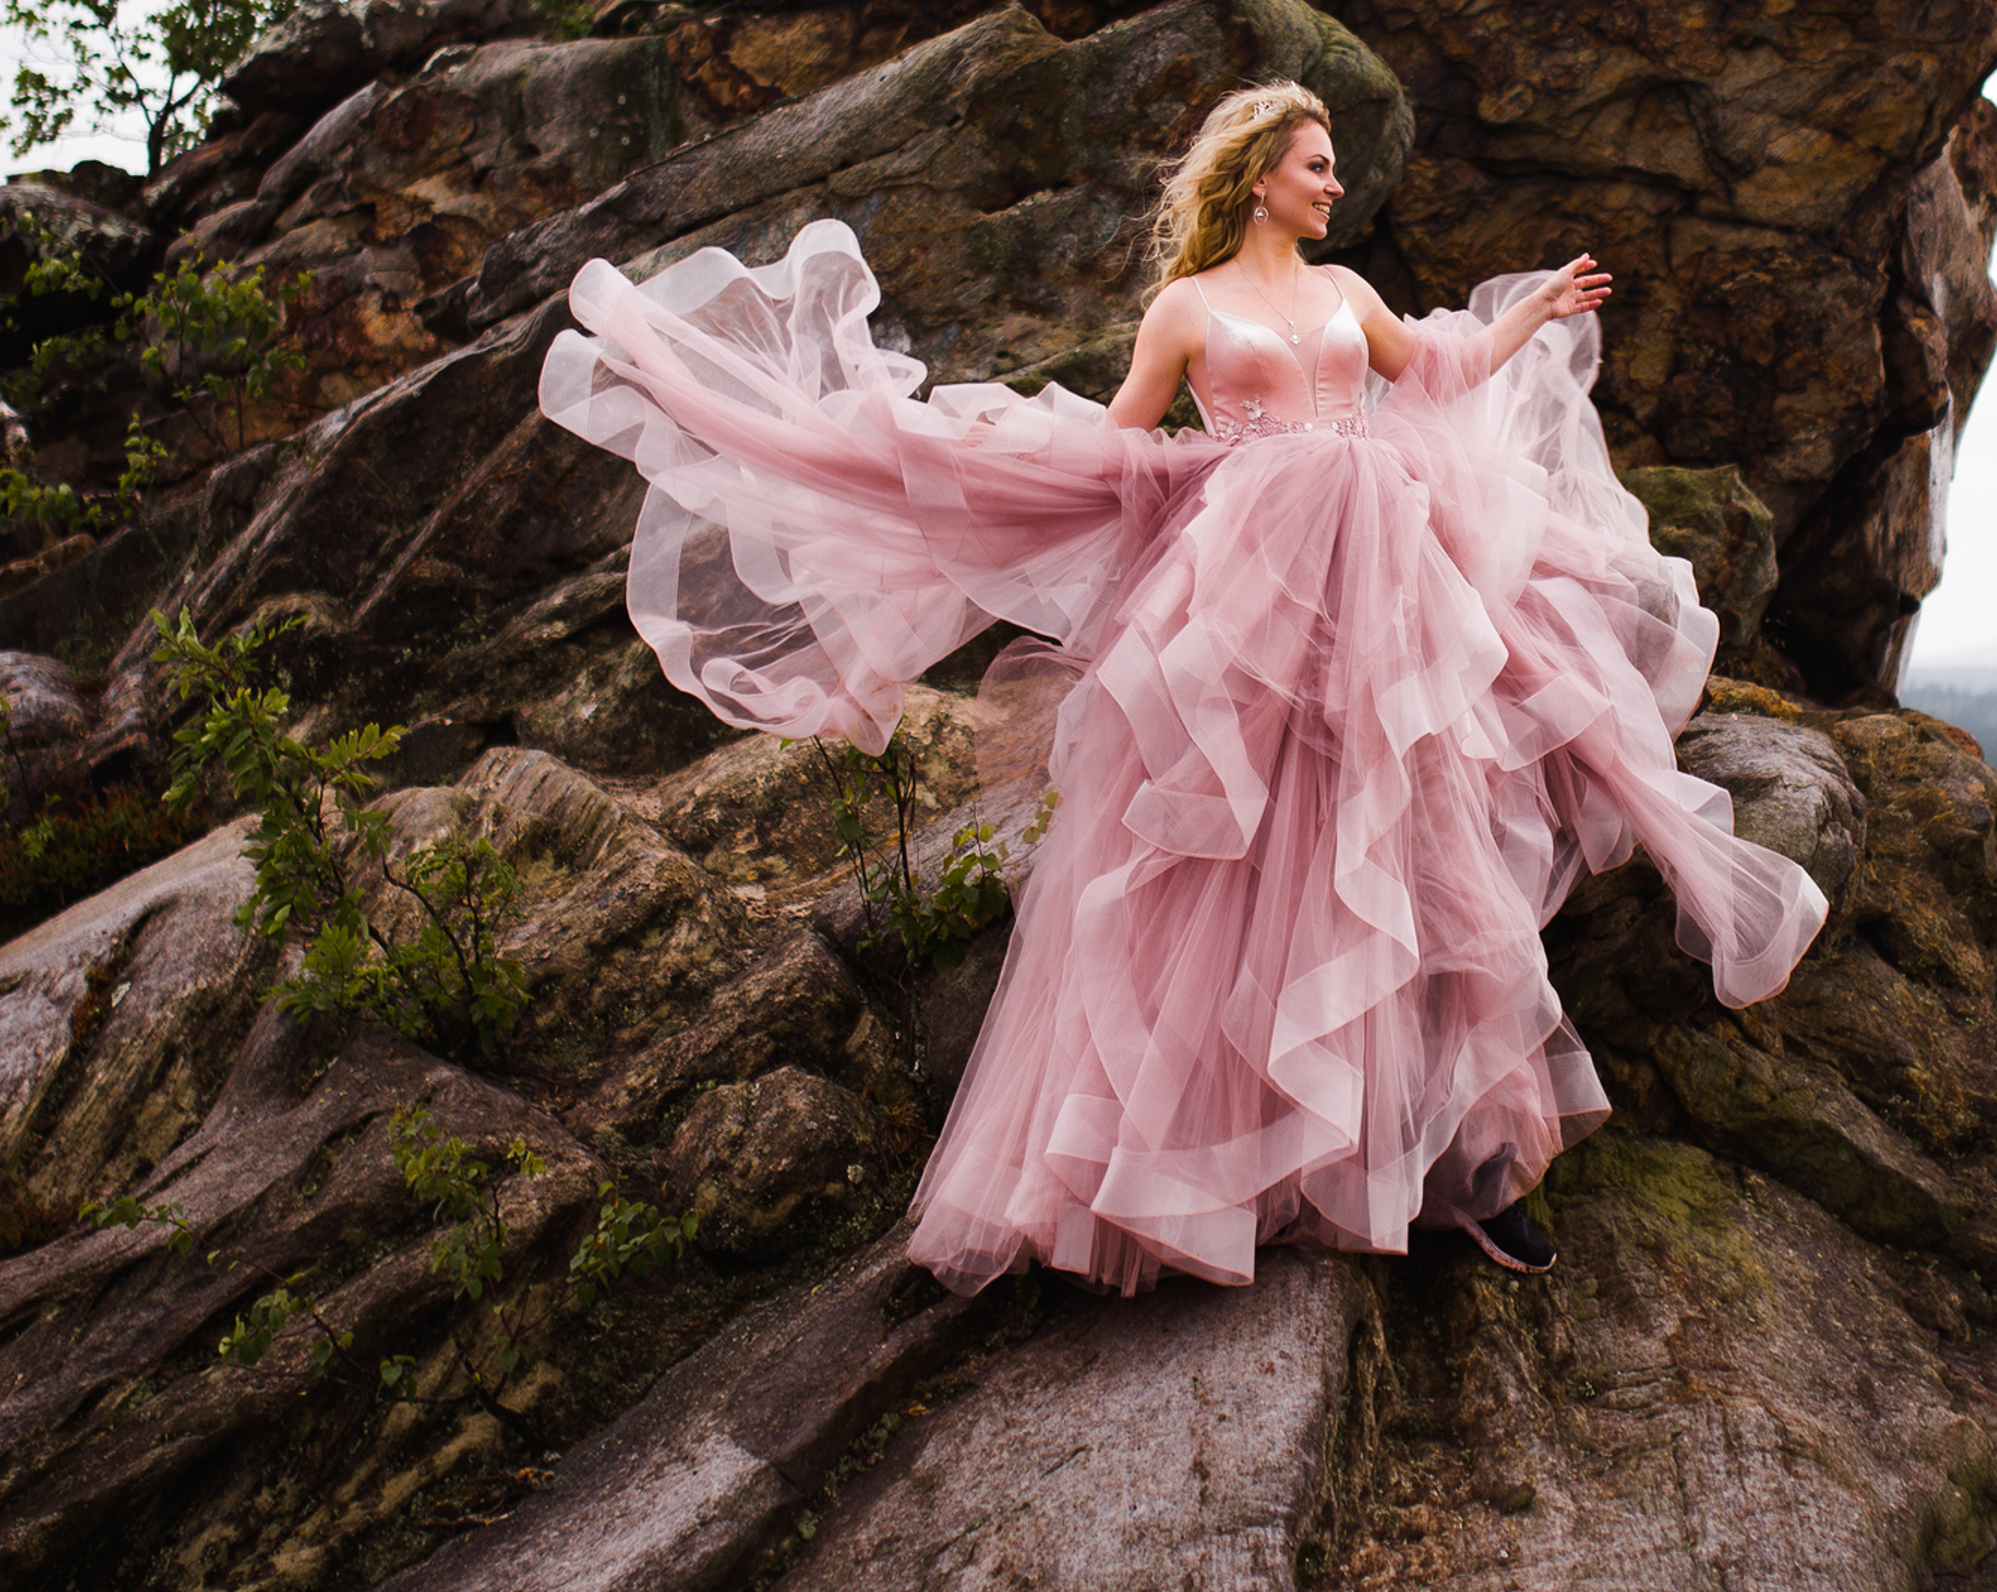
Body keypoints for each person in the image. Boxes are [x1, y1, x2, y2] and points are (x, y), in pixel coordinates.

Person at [539, 79, 1827, 1296]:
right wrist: (1009, 453)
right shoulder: (1186, 309)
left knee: (1415, 841)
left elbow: (1433, 376)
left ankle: (1458, 1168)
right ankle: (1223, 1172)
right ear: (1260, 175)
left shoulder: (1346, 287)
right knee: (1242, 869)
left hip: (1388, 584)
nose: (1335, 185)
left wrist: (1534, 314)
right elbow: (1118, 447)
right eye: (1317, 166)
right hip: (1248, 600)